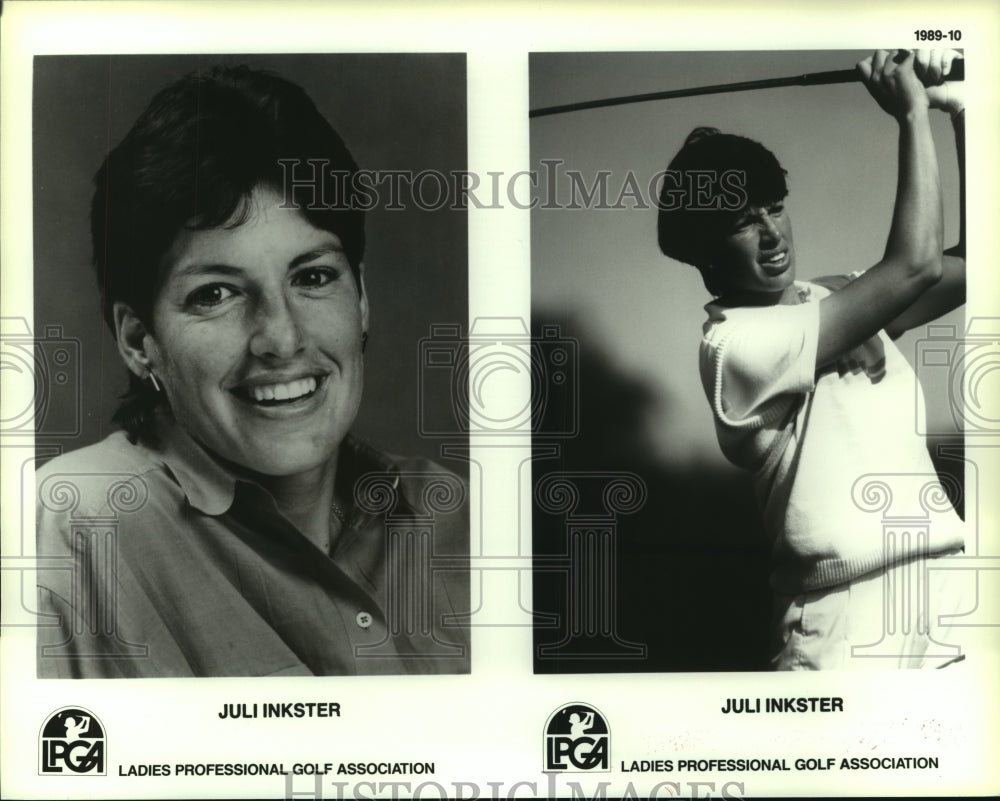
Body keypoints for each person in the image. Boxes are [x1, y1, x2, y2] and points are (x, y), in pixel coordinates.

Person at [35, 65, 470, 677]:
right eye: (216, 294)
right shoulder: (76, 527)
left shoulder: (457, 513)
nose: (281, 337)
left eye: (313, 277)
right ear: (138, 340)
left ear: (362, 299)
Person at [657, 50, 968, 669]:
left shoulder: (836, 298)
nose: (771, 233)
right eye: (742, 223)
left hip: (947, 592)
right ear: (703, 251)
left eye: (774, 207)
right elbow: (915, 266)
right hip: (840, 620)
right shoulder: (733, 345)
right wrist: (910, 115)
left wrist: (963, 113)